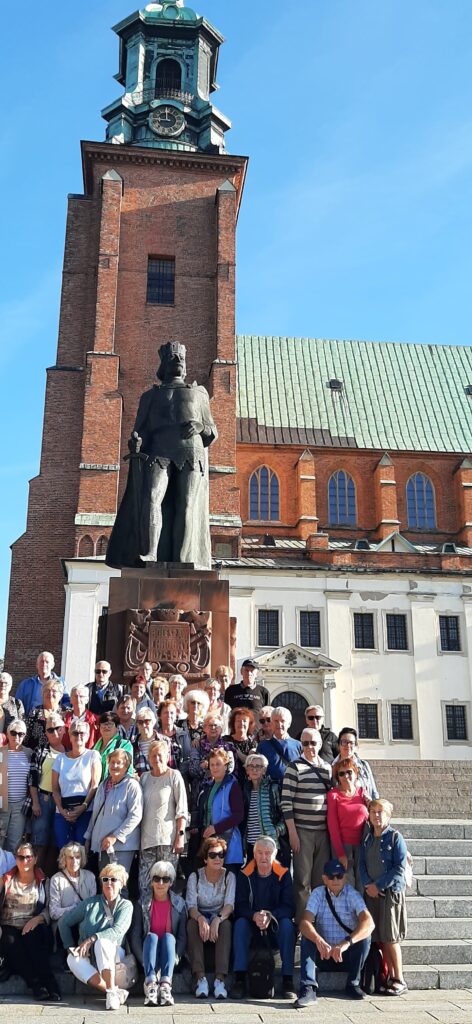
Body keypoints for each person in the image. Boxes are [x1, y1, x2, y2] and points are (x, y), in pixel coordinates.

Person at [106, 340, 218, 568]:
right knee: (152, 498)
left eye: (181, 358)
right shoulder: (150, 396)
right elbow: (140, 430)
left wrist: (200, 427)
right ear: (163, 365)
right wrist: (136, 442)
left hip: (191, 452)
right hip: (158, 452)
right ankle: (150, 553)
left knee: (186, 504)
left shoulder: (198, 393)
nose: (178, 361)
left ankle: (183, 558)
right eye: (172, 358)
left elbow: (212, 431)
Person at [294, 858, 374, 1008]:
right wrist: (318, 940)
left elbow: (369, 923)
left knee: (365, 937)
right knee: (307, 937)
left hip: (346, 955)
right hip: (324, 954)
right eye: (331, 876)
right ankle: (308, 988)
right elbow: (304, 923)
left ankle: (353, 983)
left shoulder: (353, 894)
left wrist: (346, 943)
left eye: (339, 876)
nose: (336, 880)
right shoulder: (317, 894)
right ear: (324, 878)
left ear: (345, 877)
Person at [59, 862, 133, 1010]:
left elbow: (118, 931)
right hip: (89, 955)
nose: (109, 883)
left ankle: (111, 991)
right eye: (105, 879)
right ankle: (112, 992)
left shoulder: (126, 905)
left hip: (114, 954)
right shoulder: (89, 904)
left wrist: (92, 939)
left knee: (102, 943)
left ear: (122, 884)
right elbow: (63, 923)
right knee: (72, 959)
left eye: (113, 879)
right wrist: (69, 947)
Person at [231, 836, 296, 1000]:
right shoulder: (244, 874)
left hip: (274, 924)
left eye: (268, 853)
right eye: (259, 853)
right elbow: (239, 906)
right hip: (252, 924)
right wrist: (253, 916)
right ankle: (239, 979)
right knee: (239, 924)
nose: (263, 857)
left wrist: (270, 916)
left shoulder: (284, 874)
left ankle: (288, 980)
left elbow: (289, 907)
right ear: (254, 854)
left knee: (288, 925)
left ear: (274, 855)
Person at [281, 727, 332, 922]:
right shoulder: (294, 767)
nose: (310, 747)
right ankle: (303, 924)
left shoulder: (327, 768)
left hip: (323, 833)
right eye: (305, 743)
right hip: (302, 832)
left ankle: (318, 922)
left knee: (320, 881)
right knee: (302, 882)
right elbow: (286, 802)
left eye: (313, 743)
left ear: (320, 744)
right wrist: (292, 833)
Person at [359, 799, 408, 995]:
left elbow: (399, 868)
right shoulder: (368, 839)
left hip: (389, 895)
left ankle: (399, 979)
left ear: (388, 815)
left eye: (381, 812)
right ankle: (387, 977)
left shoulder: (395, 838)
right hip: (372, 895)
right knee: (379, 937)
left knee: (390, 937)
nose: (377, 815)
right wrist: (368, 885)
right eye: (373, 812)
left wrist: (378, 885)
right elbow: (362, 864)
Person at [0, 840, 60, 1001]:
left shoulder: (43, 881)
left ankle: (50, 985)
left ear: (35, 858)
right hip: (8, 926)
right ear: (16, 859)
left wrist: (38, 919)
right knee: (10, 939)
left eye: (28, 857)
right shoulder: (6, 880)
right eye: (21, 857)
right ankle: (35, 985)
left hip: (33, 925)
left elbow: (49, 908)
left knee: (31, 938)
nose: (24, 861)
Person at [186, 836, 235, 999]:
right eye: (213, 855)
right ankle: (200, 978)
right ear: (205, 858)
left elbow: (229, 905)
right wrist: (200, 919)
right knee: (191, 925)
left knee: (226, 926)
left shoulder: (229, 876)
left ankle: (220, 980)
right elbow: (191, 906)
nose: (217, 859)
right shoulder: (195, 876)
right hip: (200, 915)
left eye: (221, 855)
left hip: (220, 916)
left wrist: (218, 919)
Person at [139, 740, 188, 903]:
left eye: (160, 755)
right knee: (145, 886)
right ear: (148, 758)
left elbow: (182, 809)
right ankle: (146, 918)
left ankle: (169, 918)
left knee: (167, 885)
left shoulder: (174, 775)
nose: (157, 759)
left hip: (168, 840)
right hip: (147, 841)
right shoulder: (144, 778)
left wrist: (180, 835)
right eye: (153, 755)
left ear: (167, 756)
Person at [85, 749, 143, 876]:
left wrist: (114, 836)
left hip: (122, 847)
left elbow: (135, 816)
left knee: (119, 883)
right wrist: (89, 837)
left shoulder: (132, 786)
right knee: (105, 883)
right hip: (101, 846)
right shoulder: (103, 785)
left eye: (119, 763)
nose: (115, 766)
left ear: (126, 766)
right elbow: (95, 814)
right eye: (112, 762)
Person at [139, 859, 187, 1006]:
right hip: (148, 954)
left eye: (165, 879)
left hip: (169, 954)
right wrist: (142, 958)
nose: (160, 883)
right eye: (156, 879)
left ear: (171, 883)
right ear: (151, 881)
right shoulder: (142, 903)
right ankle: (151, 986)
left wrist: (176, 956)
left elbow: (182, 936)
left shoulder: (179, 904)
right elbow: (135, 936)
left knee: (169, 937)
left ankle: (165, 986)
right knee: (152, 937)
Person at [26, 711, 66, 873]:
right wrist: (35, 802)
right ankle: (35, 877)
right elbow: (33, 778)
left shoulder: (70, 752)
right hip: (43, 799)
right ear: (45, 733)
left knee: (55, 843)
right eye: (50, 729)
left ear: (64, 729)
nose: (54, 732)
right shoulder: (40, 751)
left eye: (58, 728)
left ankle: (49, 879)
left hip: (61, 801)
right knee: (39, 841)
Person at [52, 722, 101, 846]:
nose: (78, 736)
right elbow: (55, 789)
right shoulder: (60, 759)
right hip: (63, 813)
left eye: (82, 733)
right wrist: (62, 811)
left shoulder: (93, 755)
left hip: (85, 812)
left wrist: (83, 806)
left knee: (81, 851)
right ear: (69, 736)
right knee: (63, 851)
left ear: (88, 736)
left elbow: (95, 785)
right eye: (75, 733)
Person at [196, 748, 244, 871]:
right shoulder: (208, 786)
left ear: (225, 765)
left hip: (229, 843)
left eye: (218, 764)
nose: (215, 767)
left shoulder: (233, 785)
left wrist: (216, 828)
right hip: (211, 843)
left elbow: (238, 815)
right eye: (212, 764)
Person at [327, 758, 369, 888]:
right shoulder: (333, 795)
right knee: (347, 885)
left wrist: (370, 803)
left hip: (362, 845)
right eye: (341, 773)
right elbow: (333, 826)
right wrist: (340, 853)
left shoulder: (362, 792)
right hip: (343, 846)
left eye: (349, 772)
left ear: (356, 773)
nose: (346, 776)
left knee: (362, 883)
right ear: (338, 777)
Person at [243, 752, 288, 864]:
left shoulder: (273, 788)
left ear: (264, 770)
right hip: (251, 844)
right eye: (251, 766)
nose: (254, 770)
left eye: (258, 766)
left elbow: (285, 814)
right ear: (247, 770)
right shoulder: (245, 789)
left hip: (270, 842)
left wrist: (277, 830)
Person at [0, 720, 32, 852]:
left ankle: (11, 866)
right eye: (13, 733)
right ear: (8, 734)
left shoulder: (29, 753)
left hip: (20, 805)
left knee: (15, 843)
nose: (17, 737)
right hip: (2, 804)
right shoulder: (1, 752)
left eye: (21, 734)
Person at [49, 842, 97, 925]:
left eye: (77, 857)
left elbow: (93, 908)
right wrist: (75, 909)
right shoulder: (56, 879)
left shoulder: (90, 877)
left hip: (85, 923)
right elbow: (53, 913)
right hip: (65, 923)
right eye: (71, 858)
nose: (74, 861)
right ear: (64, 859)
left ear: (82, 858)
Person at [257, 706, 302, 785]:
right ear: (271, 723)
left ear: (289, 724)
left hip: (293, 788)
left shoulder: (298, 745)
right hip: (271, 790)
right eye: (276, 721)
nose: (279, 724)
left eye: (282, 721)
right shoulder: (263, 746)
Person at [15, 652, 68, 717]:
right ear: (37, 665)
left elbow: (67, 703)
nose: (44, 664)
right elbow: (17, 705)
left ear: (52, 665)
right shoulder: (25, 685)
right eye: (42, 661)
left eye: (47, 662)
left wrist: (60, 717)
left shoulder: (61, 683)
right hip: (32, 720)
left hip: (54, 719)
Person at [334, 728, 379, 800]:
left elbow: (373, 792)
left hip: (363, 805)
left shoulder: (364, 765)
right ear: (339, 745)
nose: (348, 745)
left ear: (355, 746)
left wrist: (375, 804)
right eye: (344, 742)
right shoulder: (331, 766)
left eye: (351, 743)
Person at [157, 699, 192, 780]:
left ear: (176, 715)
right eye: (165, 712)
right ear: (160, 715)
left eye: (172, 713)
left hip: (180, 777)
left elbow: (187, 759)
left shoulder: (183, 735)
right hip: (159, 778)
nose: (169, 715)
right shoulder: (155, 735)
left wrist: (176, 775)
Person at [24, 680, 65, 750]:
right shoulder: (35, 712)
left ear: (61, 695)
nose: (50, 693)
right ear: (42, 694)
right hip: (38, 753)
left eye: (54, 691)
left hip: (61, 753)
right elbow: (26, 737)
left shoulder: (66, 713)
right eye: (47, 690)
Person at [94, 711, 133, 779]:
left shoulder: (124, 744)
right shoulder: (94, 747)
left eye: (110, 724)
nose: (106, 727)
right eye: (103, 724)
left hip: (116, 783)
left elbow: (128, 770)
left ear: (117, 727)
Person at [225, 707, 257, 785]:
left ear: (249, 724)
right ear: (233, 723)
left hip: (246, 784)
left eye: (244, 721)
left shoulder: (253, 743)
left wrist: (234, 750)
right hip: (227, 782)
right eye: (238, 721)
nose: (241, 723)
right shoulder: (225, 740)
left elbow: (248, 762)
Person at [62, 685, 100, 749]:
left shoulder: (96, 720)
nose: (78, 699)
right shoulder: (63, 720)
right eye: (75, 696)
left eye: (81, 696)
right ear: (70, 700)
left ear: (87, 700)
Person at [133, 707, 159, 776]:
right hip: (140, 782)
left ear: (153, 722)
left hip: (161, 781)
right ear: (137, 725)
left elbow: (171, 768)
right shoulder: (133, 745)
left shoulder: (164, 742)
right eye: (140, 722)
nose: (144, 725)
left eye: (147, 721)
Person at [0, 672, 24, 742]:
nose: (3, 685)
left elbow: (21, 726)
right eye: (0, 682)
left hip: (10, 744)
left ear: (10, 686)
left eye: (6, 683)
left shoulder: (17, 703)